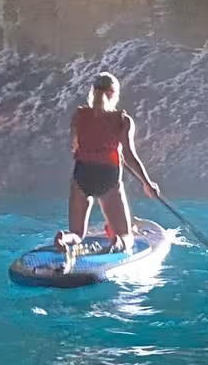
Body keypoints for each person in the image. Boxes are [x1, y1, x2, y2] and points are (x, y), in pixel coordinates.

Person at [57, 72, 160, 254]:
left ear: (92, 92)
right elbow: (129, 156)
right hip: (108, 176)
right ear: (115, 94)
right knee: (127, 236)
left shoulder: (79, 116)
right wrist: (147, 183)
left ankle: (64, 239)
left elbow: (75, 148)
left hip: (82, 174)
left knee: (77, 233)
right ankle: (118, 241)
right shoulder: (123, 120)